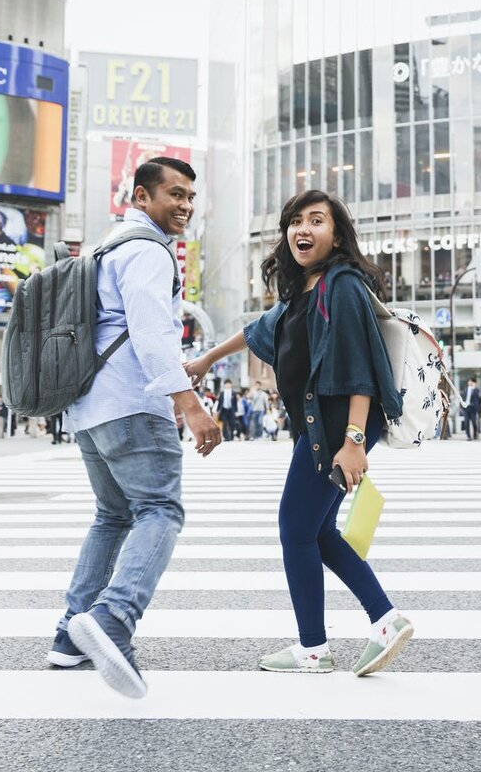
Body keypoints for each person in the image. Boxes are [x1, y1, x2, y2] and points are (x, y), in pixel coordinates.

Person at [184, 189, 413, 680]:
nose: (302, 230)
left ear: (337, 235)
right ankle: (383, 619)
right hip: (321, 426)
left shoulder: (342, 286)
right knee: (316, 531)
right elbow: (257, 330)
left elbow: (359, 372)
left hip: (337, 425)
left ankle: (316, 646)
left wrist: (353, 443)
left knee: (294, 528)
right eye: (295, 221)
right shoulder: (305, 292)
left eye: (316, 221)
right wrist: (205, 360)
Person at [53, 157, 221, 699]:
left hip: (87, 405)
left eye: (190, 196)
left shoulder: (107, 245)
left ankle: (71, 635)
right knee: (160, 511)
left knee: (113, 514)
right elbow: (152, 333)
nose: (185, 205)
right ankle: (114, 618)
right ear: (142, 196)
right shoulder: (148, 251)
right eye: (174, 194)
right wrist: (188, 403)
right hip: (130, 401)